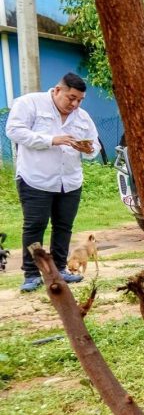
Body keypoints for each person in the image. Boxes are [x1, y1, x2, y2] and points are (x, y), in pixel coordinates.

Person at [7, 72, 100, 292]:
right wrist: (51, 140)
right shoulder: (30, 104)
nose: (75, 104)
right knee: (35, 226)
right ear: (58, 90)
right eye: (71, 98)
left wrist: (88, 149)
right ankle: (31, 273)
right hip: (35, 178)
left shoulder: (82, 117)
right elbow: (14, 130)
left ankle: (60, 268)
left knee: (63, 226)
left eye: (79, 100)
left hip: (69, 181)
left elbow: (94, 146)